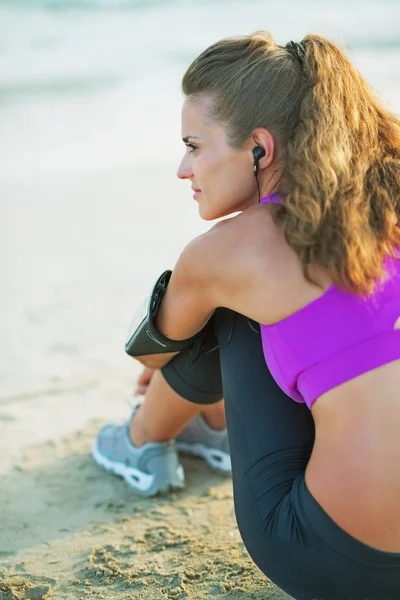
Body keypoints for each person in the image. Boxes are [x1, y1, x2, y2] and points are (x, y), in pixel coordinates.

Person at [92, 31, 400, 600]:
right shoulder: (385, 205)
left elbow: (156, 349)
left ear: (260, 147)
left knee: (222, 311)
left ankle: (142, 442)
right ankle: (209, 424)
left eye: (194, 145)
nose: (184, 169)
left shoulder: (232, 251)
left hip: (340, 563)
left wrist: (169, 370)